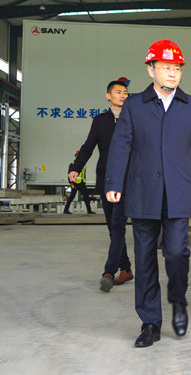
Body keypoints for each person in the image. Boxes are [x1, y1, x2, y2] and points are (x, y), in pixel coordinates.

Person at [105, 40, 191, 347]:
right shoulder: (135, 106)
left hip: (179, 192)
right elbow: (121, 146)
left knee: (176, 253)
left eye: (177, 68)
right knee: (144, 259)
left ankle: (178, 302)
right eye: (166, 67)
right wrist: (114, 183)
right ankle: (150, 322)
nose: (172, 73)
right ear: (150, 70)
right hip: (143, 192)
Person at [69, 79, 132, 292]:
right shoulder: (100, 121)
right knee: (113, 228)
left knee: (117, 226)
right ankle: (126, 269)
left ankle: (109, 272)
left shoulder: (133, 119)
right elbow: (88, 147)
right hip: (106, 180)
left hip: (127, 180)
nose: (122, 95)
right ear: (108, 96)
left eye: (125, 92)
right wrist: (75, 168)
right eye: (118, 92)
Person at [64, 150, 94, 215]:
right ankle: (65, 210)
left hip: (81, 183)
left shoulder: (83, 165)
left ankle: (89, 211)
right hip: (75, 183)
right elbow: (69, 174)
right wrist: (71, 183)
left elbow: (83, 175)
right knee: (72, 196)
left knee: (86, 196)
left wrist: (84, 181)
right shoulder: (72, 164)